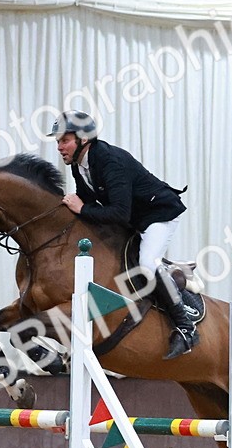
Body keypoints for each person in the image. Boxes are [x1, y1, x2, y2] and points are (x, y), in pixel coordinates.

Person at [49, 110, 198, 359]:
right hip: (133, 219)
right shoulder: (80, 165)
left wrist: (82, 208)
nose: (59, 147)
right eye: (57, 142)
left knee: (147, 264)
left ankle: (185, 326)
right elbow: (86, 203)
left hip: (158, 215)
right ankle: (173, 271)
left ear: (83, 139)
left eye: (64, 140)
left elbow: (116, 213)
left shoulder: (109, 161)